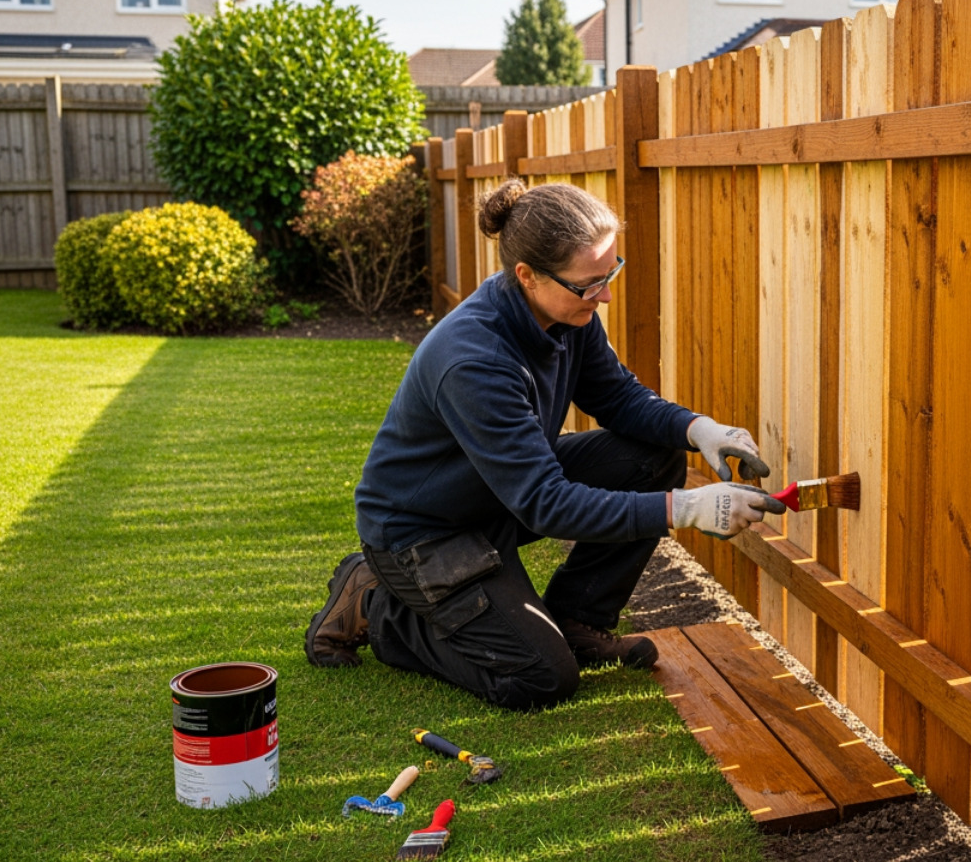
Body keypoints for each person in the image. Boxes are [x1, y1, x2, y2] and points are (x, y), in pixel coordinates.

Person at [304, 179, 785, 710]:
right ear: (527, 276)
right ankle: (376, 605)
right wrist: (686, 508)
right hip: (424, 532)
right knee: (539, 679)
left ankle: (580, 621)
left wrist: (699, 430)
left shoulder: (566, 313)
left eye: (609, 273)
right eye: (588, 285)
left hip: (496, 492)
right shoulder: (475, 360)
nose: (602, 296)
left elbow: (618, 397)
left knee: (654, 457)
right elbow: (545, 503)